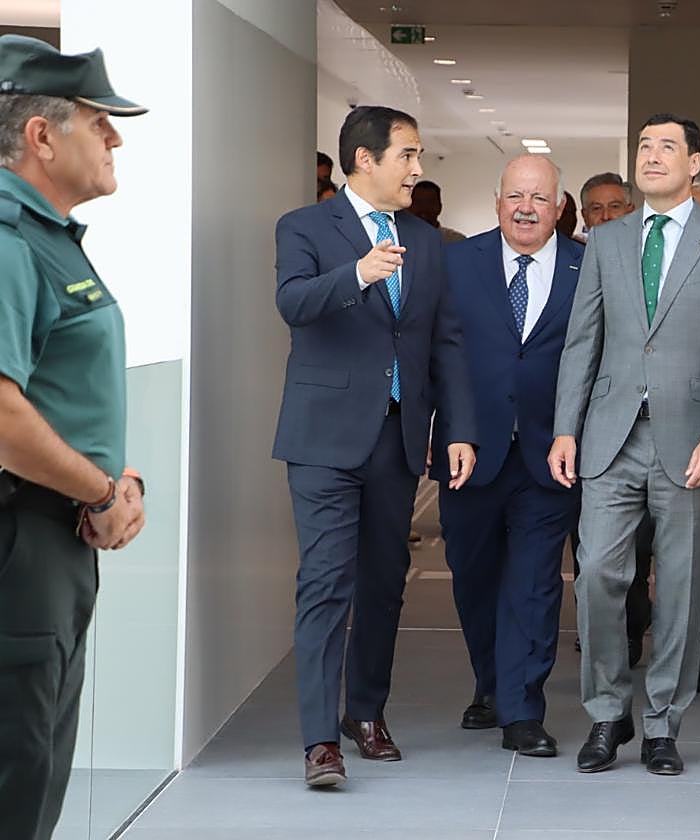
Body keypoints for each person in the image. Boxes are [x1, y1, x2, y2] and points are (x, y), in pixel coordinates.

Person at [273, 105, 477, 788]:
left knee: (385, 584)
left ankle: (366, 714)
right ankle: (317, 741)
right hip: (324, 438)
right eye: (408, 156)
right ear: (365, 159)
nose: (418, 170)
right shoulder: (304, 227)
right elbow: (293, 302)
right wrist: (358, 274)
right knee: (326, 584)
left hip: (397, 440)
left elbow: (443, 341)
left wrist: (458, 431)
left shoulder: (424, 240)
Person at [550, 113, 700, 775]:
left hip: (690, 441)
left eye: (667, 146)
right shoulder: (606, 241)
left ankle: (664, 722)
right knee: (598, 581)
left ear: (695, 163)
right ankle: (608, 714)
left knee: (681, 585)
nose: (652, 155)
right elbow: (582, 341)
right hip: (609, 438)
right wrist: (565, 427)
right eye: (644, 146)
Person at [0, 34, 148, 840]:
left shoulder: (47, 235)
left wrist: (116, 480)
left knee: (40, 754)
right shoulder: (8, 237)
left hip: (57, 530)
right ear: (41, 135)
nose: (115, 138)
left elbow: (57, 387)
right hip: (21, 534)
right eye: (100, 122)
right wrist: (98, 489)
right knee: (19, 767)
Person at [434, 154, 582, 757]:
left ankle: (523, 710)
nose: (526, 208)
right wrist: (451, 430)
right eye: (516, 196)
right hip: (469, 450)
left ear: (559, 208)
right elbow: (439, 352)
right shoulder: (456, 262)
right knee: (474, 577)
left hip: (552, 452)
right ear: (496, 202)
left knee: (536, 582)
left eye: (540, 198)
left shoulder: (586, 267)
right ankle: (490, 684)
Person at [570, 171, 650, 667]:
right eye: (594, 209)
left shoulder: (645, 260)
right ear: (582, 216)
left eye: (614, 207)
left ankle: (631, 630)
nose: (604, 216)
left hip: (636, 424)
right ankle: (598, 636)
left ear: (630, 210)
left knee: (635, 548)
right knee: (590, 552)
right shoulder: (571, 262)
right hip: (580, 424)